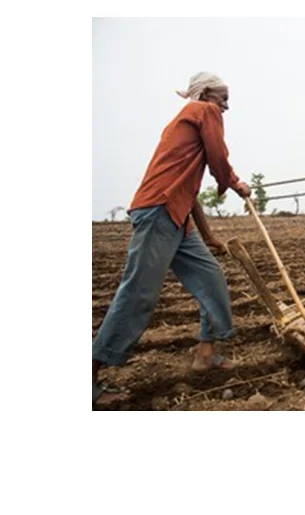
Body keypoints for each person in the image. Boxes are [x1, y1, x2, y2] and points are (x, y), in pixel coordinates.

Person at [92, 72, 252, 407]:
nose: (226, 106)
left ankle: (206, 353)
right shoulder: (202, 112)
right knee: (139, 293)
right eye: (223, 98)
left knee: (210, 276)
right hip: (159, 213)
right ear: (206, 94)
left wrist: (207, 235)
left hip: (175, 215)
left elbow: (189, 193)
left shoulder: (186, 127)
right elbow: (218, 160)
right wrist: (237, 185)